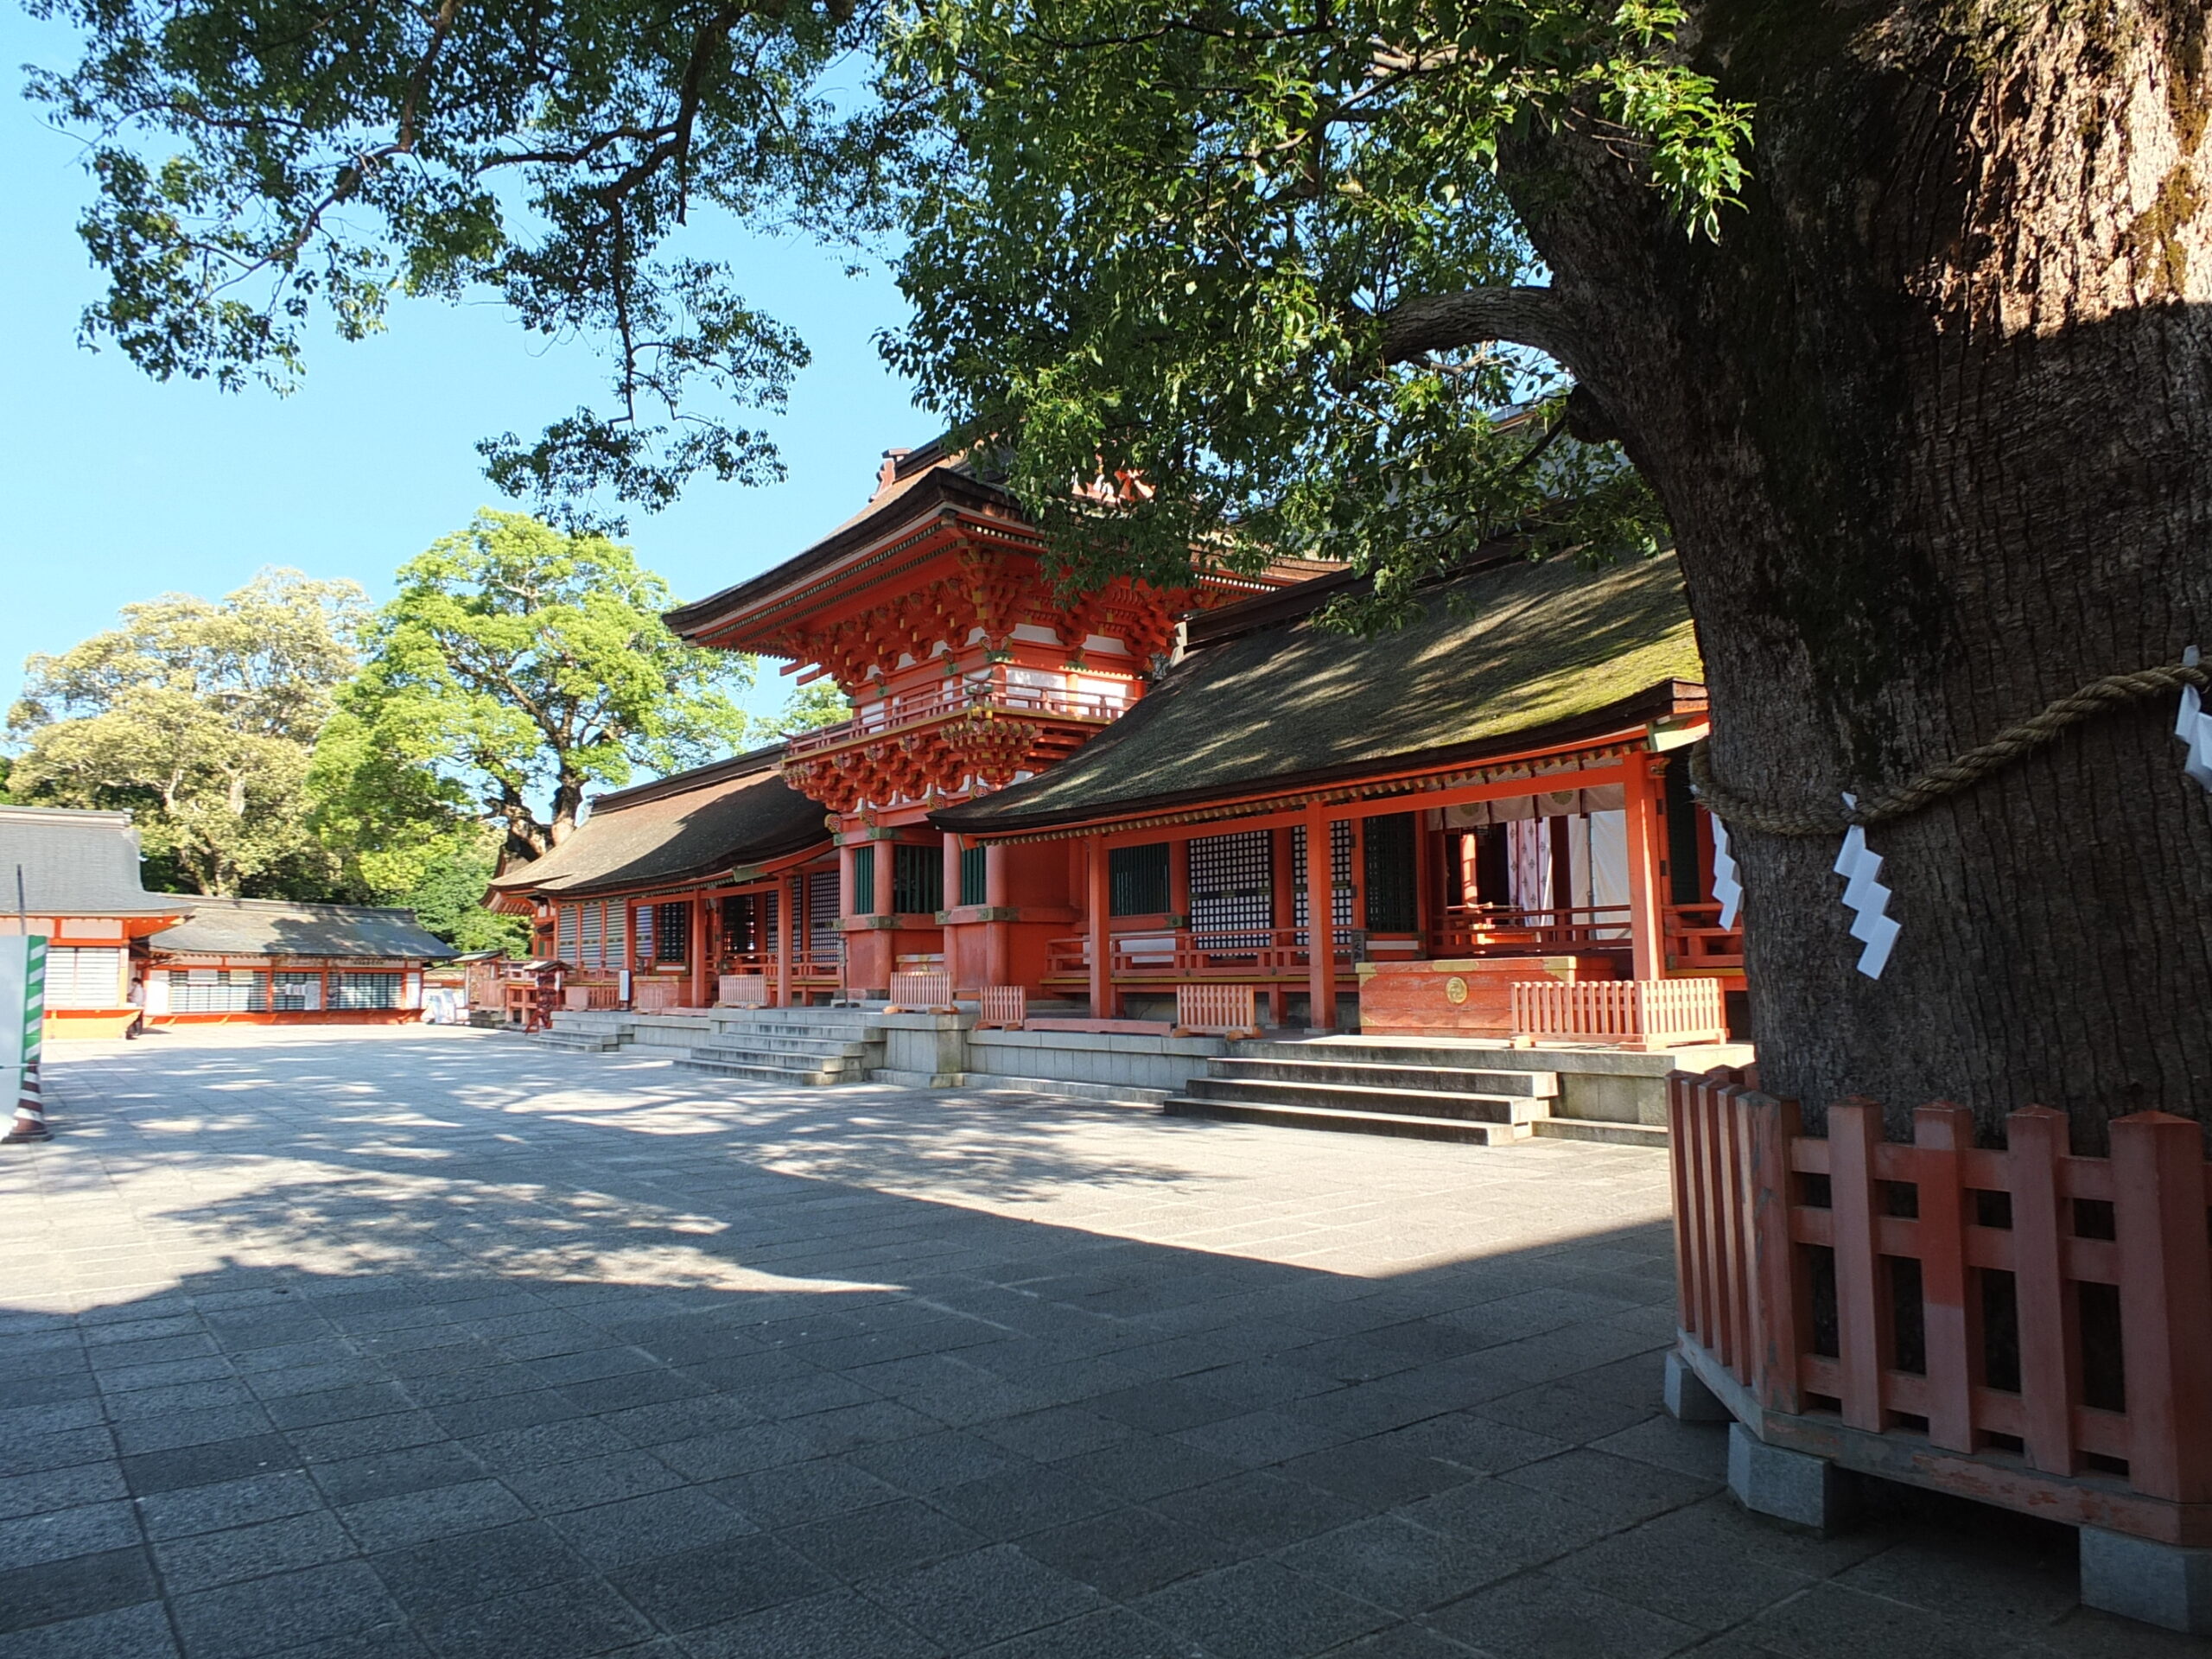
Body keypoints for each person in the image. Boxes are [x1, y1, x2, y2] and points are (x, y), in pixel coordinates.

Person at [124, 970, 145, 1039]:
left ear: (136, 982)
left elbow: (136, 998)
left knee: (136, 1019)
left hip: (137, 1004)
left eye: (133, 982)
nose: (132, 983)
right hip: (138, 1004)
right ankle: (137, 1031)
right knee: (136, 1019)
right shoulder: (138, 988)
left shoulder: (138, 989)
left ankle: (137, 1031)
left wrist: (129, 997)